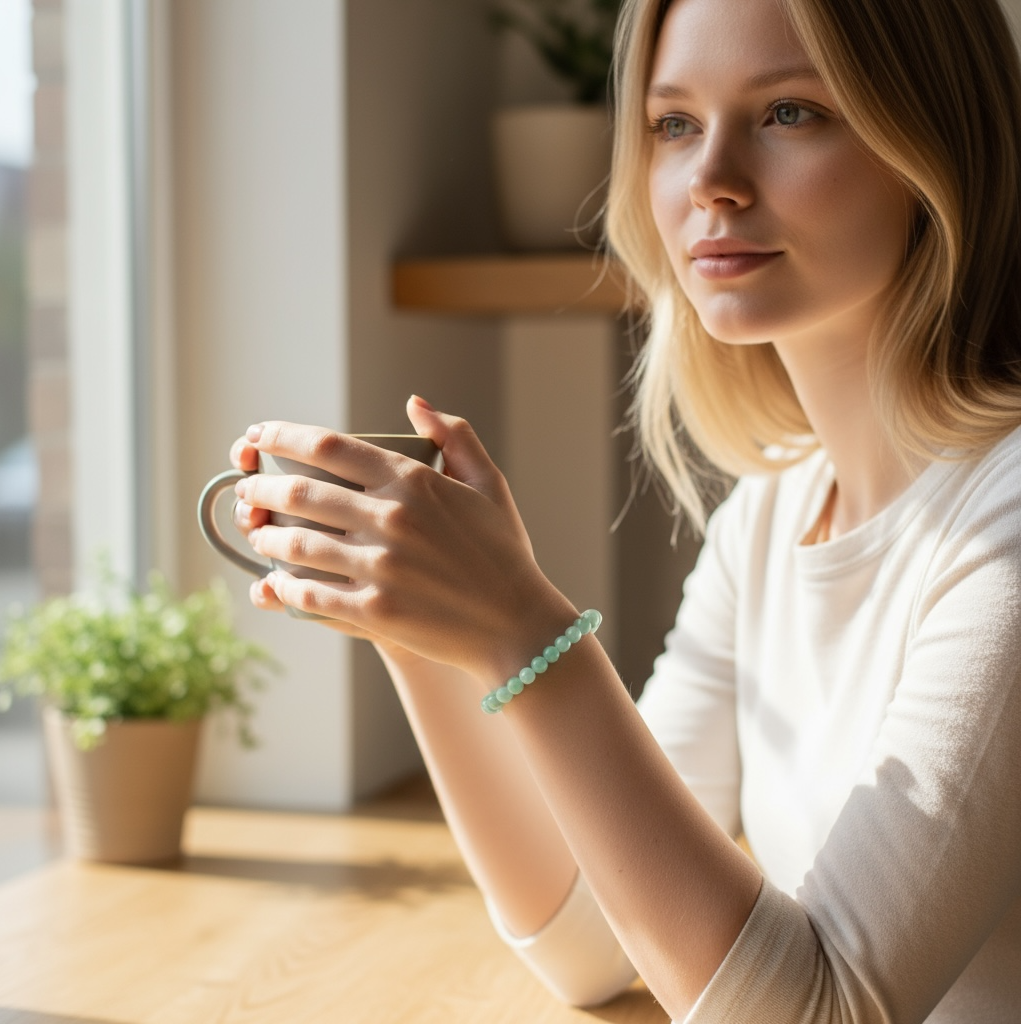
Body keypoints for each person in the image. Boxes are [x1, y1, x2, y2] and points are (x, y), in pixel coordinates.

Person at [226, 0, 1021, 1019]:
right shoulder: (771, 518)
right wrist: (420, 628)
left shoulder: (1001, 523)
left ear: (936, 146)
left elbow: (822, 1009)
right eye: (673, 124)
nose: (711, 181)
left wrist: (526, 630)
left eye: (788, 112)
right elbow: (590, 942)